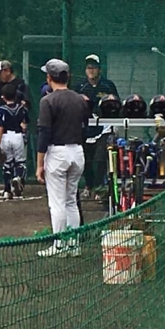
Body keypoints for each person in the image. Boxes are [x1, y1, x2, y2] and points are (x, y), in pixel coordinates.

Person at [36, 59, 91, 258]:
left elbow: (44, 133)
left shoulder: (48, 101)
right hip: (77, 151)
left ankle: (59, 245)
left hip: (57, 153)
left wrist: (39, 164)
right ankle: (73, 245)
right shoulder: (80, 99)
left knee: (57, 202)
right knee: (71, 201)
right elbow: (85, 126)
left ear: (49, 77)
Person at [73, 54, 119, 200]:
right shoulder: (80, 86)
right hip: (85, 128)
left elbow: (117, 105)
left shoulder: (108, 85)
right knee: (86, 159)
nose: (91, 70)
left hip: (104, 128)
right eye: (88, 67)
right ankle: (88, 186)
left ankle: (99, 187)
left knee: (100, 158)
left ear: (99, 69)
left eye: (94, 67)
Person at [0, 84, 29, 200]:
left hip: (5, 137)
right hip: (18, 136)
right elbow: (25, 124)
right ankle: (17, 177)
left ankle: (7, 190)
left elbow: (0, 127)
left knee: (7, 164)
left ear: (3, 97)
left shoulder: (1, 110)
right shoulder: (22, 108)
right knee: (20, 163)